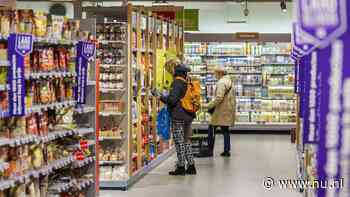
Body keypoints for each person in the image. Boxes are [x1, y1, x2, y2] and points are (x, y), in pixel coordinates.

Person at [156, 59, 197, 176]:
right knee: (186, 141)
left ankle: (180, 167)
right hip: (188, 115)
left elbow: (172, 100)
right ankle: (191, 165)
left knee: (179, 142)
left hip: (179, 116)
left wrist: (159, 96)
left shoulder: (177, 82)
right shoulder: (186, 79)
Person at [205, 66, 236, 157]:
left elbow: (219, 97)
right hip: (227, 109)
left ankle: (209, 150)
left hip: (221, 110)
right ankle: (226, 150)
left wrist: (209, 105)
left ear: (220, 73)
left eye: (215, 74)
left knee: (211, 128)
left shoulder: (221, 82)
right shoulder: (229, 81)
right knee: (225, 130)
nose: (215, 76)